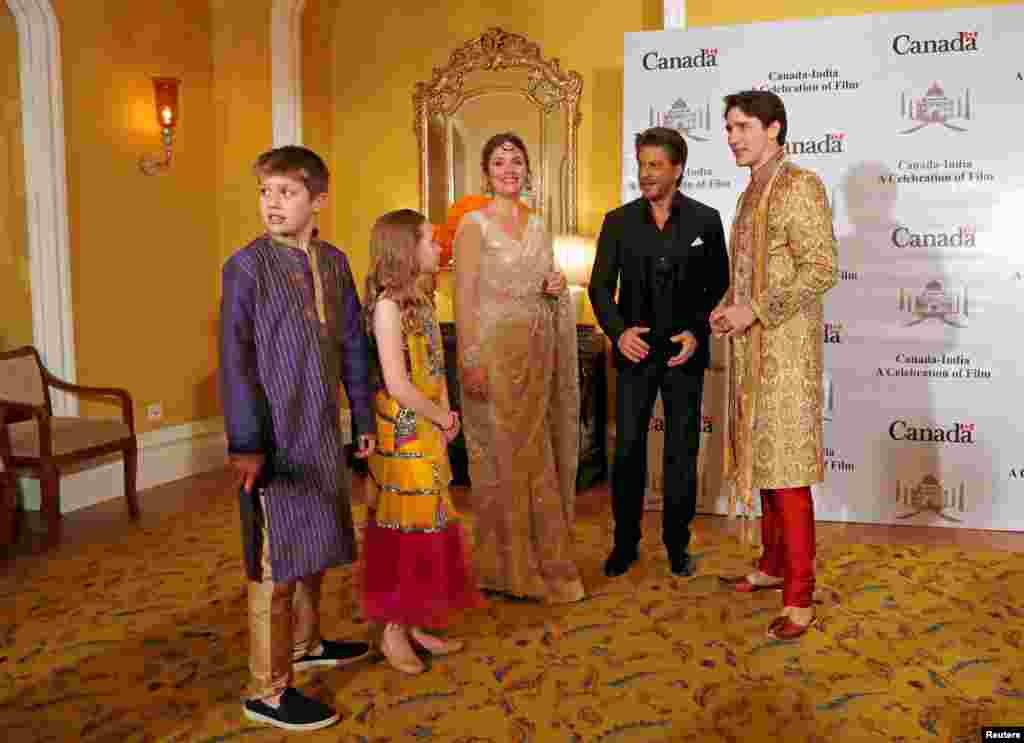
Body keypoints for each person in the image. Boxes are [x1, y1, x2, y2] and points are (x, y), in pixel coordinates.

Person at [221, 146, 375, 731]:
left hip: (320, 429)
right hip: (271, 437)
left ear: (318, 200)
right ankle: (266, 687)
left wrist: (361, 418)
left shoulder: (334, 263)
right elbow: (235, 360)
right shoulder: (245, 267)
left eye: (286, 192)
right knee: (274, 561)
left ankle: (307, 644)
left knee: (315, 544)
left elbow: (354, 348)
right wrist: (245, 443)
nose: (272, 204)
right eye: (265, 192)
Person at [711, 91, 838, 640]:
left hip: (786, 354)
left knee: (786, 473)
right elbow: (747, 276)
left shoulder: (799, 185)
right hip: (750, 351)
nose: (733, 137)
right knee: (762, 464)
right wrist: (726, 305)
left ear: (774, 128)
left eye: (742, 127)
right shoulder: (750, 192)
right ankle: (771, 564)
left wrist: (755, 310)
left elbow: (822, 268)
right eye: (728, 128)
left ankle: (800, 598)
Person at [589, 127, 729, 579]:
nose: (645, 173)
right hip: (634, 355)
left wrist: (696, 331)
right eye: (642, 164)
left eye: (655, 165)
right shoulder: (618, 220)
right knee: (627, 450)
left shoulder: (706, 221)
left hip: (682, 356)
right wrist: (617, 332)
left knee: (681, 453)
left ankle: (677, 545)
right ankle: (624, 544)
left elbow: (719, 285)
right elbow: (598, 287)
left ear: (678, 169)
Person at [453, 132, 584, 604]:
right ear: (486, 172)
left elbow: (547, 282)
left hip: (536, 354)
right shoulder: (473, 224)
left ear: (528, 170)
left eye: (517, 161)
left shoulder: (539, 223)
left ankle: (543, 564)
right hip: (491, 355)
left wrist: (554, 284)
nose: (509, 169)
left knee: (535, 458)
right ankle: (504, 568)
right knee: (499, 461)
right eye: (500, 162)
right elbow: (463, 298)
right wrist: (469, 360)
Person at [361, 209, 482, 675]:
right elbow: (397, 384)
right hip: (405, 430)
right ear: (406, 250)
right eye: (432, 240)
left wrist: (448, 412)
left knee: (429, 525)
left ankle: (413, 623)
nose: (440, 246)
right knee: (405, 530)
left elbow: (434, 367)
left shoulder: (425, 301)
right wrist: (439, 416)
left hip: (429, 426)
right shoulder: (388, 308)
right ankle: (392, 629)